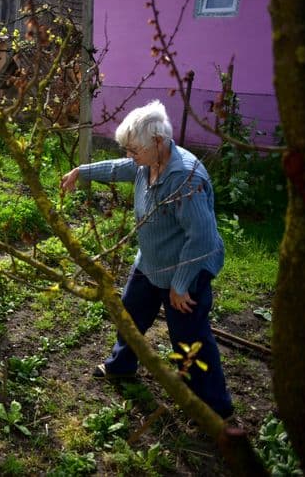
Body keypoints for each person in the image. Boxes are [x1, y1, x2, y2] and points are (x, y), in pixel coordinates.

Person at [60, 100, 233, 419]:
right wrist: (80, 172)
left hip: (186, 269)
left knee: (188, 338)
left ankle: (214, 408)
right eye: (128, 149)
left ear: (158, 141)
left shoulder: (186, 179)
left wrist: (180, 285)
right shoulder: (146, 163)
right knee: (131, 315)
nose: (130, 155)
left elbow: (202, 239)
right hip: (151, 262)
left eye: (134, 149)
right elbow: (117, 168)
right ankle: (122, 367)